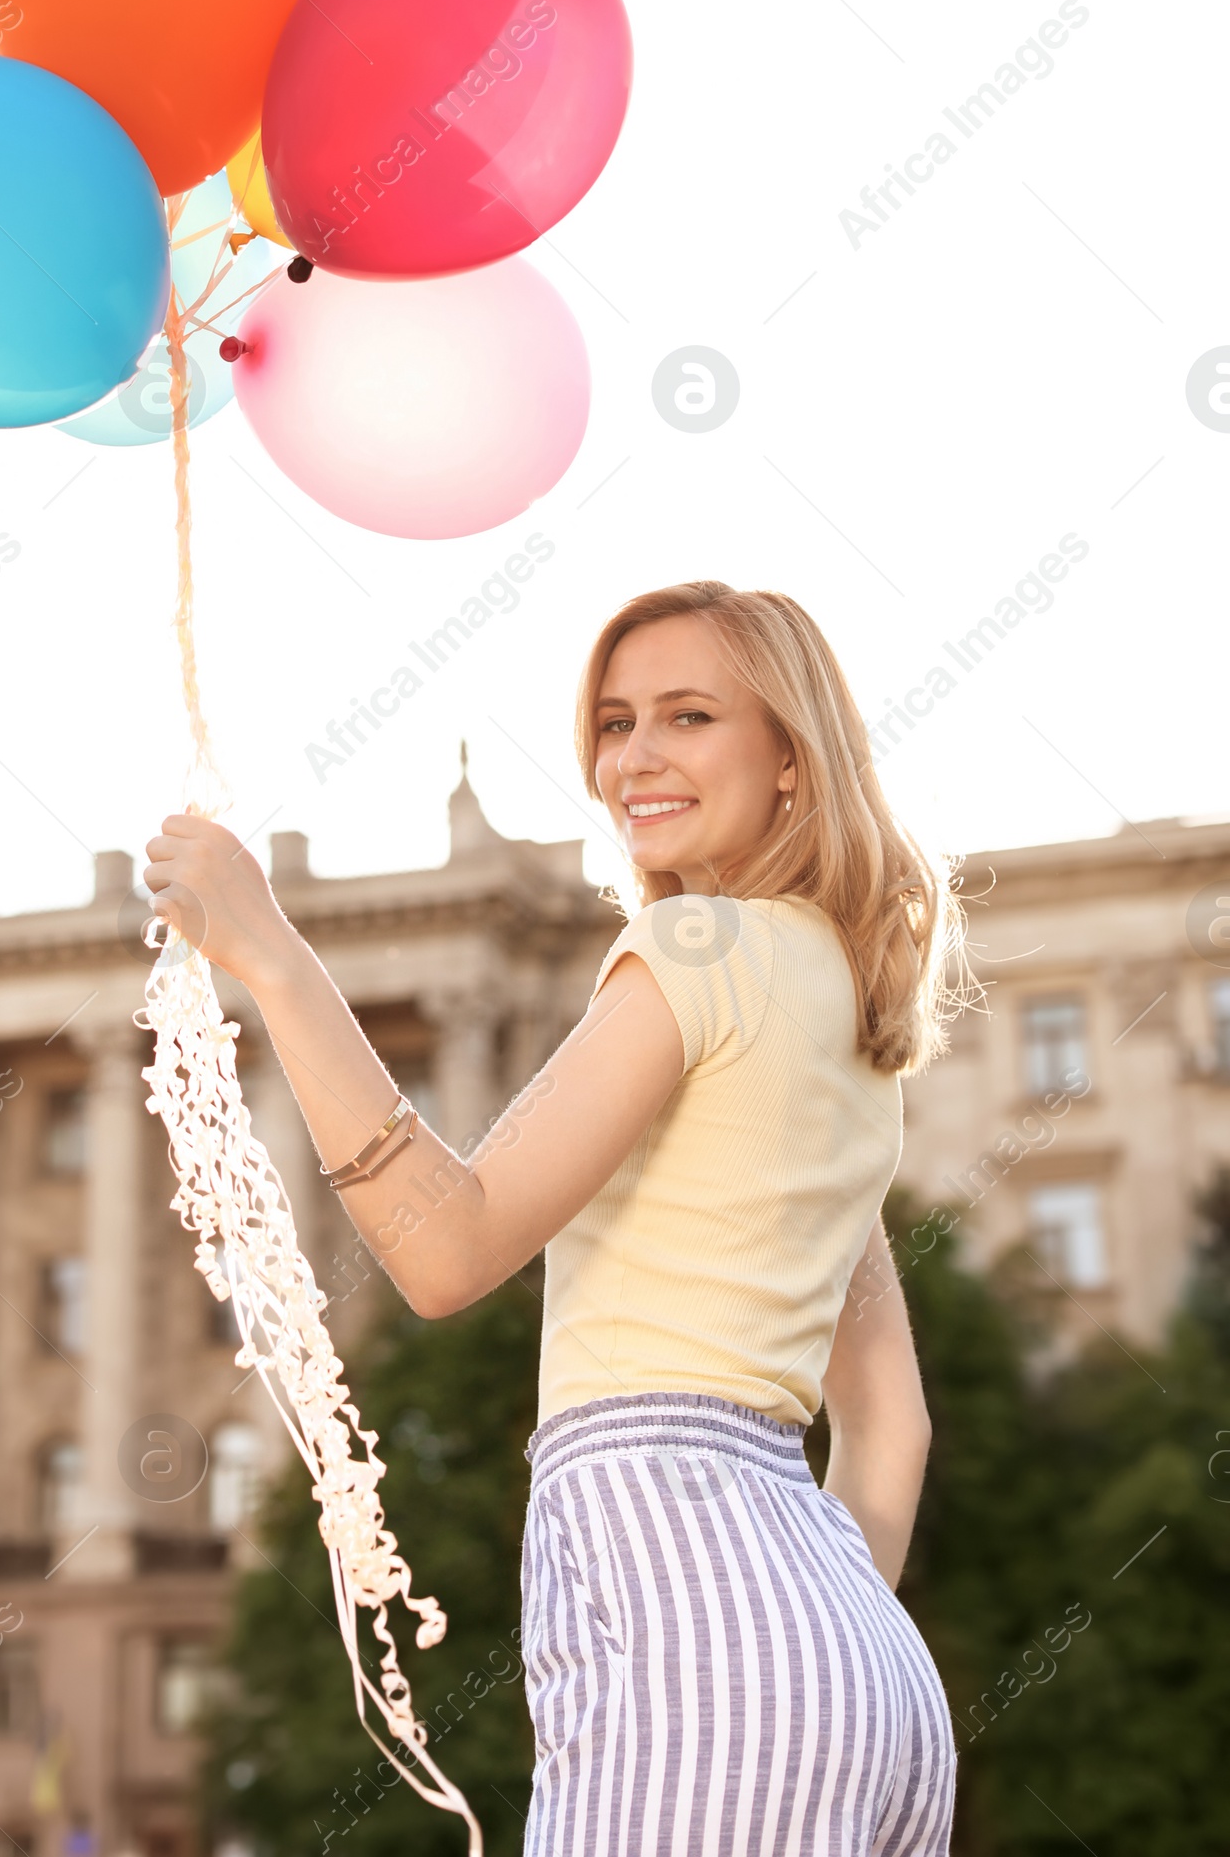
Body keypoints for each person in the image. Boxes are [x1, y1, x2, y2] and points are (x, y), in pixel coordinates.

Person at [144, 579, 964, 1854]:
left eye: (689, 716)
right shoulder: (844, 1020)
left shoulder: (696, 948)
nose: (635, 757)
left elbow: (448, 1246)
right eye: (615, 721)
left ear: (790, 759)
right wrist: (804, 1636)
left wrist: (270, 956)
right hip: (860, 1666)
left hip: (691, 1627)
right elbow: (892, 1428)